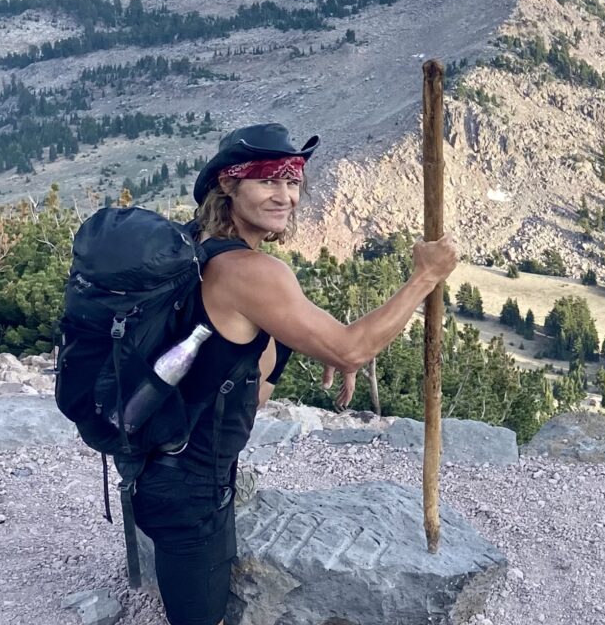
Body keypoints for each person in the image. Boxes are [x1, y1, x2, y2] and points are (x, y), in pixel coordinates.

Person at [130, 122, 458, 625]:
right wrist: (426, 277)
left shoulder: (198, 246)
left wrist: (301, 340)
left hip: (170, 463)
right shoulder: (252, 272)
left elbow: (250, 383)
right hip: (187, 484)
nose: (285, 196)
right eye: (268, 181)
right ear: (228, 185)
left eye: (293, 181)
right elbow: (353, 350)